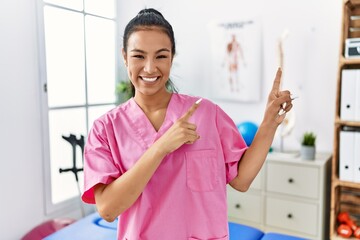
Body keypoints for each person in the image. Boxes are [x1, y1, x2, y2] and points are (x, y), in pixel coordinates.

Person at [81, 8, 293, 240]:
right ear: (124, 56)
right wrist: (160, 148)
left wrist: (269, 122)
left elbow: (241, 180)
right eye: (139, 56)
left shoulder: (207, 114)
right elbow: (108, 209)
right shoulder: (105, 130)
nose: (150, 68)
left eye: (161, 56)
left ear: (172, 56)